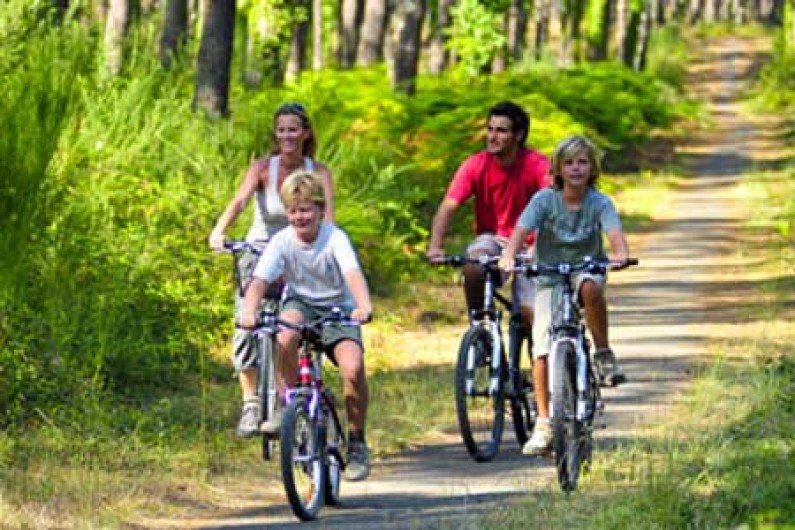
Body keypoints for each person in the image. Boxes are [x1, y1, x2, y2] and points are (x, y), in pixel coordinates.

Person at [208, 102, 334, 438]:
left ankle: (287, 398)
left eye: (294, 129)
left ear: (305, 132)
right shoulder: (264, 168)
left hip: (299, 253)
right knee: (246, 322)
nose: (287, 136)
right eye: (281, 130)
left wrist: (327, 250)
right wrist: (219, 232)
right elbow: (239, 202)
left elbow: (329, 218)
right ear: (275, 134)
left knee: (294, 327)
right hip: (260, 251)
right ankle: (250, 402)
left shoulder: (318, 171)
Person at [499, 135, 629, 456]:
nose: (575, 168)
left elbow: (615, 237)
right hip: (550, 275)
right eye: (569, 163)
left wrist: (620, 255)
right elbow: (519, 231)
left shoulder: (600, 203)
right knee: (541, 347)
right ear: (557, 169)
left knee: (590, 288)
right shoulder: (545, 200)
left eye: (582, 162)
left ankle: (602, 353)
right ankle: (544, 422)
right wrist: (509, 255)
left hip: (586, 268)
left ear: (592, 168)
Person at [240, 169, 374, 482]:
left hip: (338, 308)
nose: (300, 217)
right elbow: (259, 281)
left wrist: (363, 305)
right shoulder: (281, 241)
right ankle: (289, 407)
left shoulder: (334, 238)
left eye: (306, 210)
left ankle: (356, 442)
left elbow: (353, 274)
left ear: (320, 211)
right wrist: (249, 310)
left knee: (352, 369)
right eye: (293, 211)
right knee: (284, 335)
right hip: (300, 303)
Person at [426, 101, 550, 349]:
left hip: (532, 242)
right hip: (493, 238)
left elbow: (552, 207)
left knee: (529, 316)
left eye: (501, 131)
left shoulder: (537, 165)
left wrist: (542, 244)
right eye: (490, 129)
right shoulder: (475, 164)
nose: (492, 136)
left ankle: (529, 366)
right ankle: (480, 329)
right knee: (473, 265)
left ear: (519, 135)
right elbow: (449, 205)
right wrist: (435, 246)